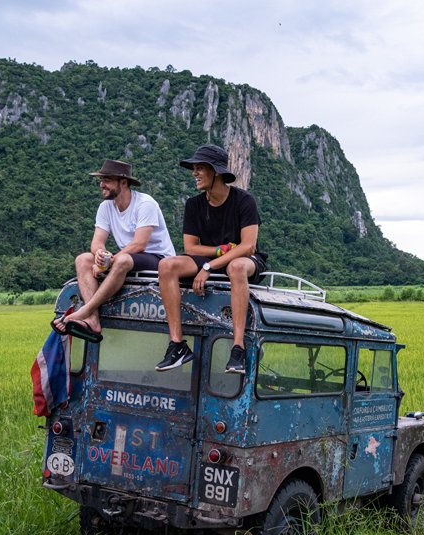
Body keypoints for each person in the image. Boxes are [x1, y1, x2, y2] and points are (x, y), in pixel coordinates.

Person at [155, 144, 267, 374]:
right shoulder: (194, 204)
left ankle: (237, 348)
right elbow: (190, 247)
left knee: (235, 267)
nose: (194, 173)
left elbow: (248, 246)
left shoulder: (244, 201)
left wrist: (209, 266)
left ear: (215, 171)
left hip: (244, 259)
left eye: (200, 168)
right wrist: (219, 252)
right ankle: (177, 344)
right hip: (212, 255)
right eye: (193, 168)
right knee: (167, 265)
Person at [52, 160, 175, 342]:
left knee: (123, 260)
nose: (102, 184)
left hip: (158, 259)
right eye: (101, 180)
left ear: (123, 182)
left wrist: (110, 262)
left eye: (107, 180)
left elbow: (140, 244)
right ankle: (92, 320)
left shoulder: (145, 204)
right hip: (126, 257)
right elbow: (97, 243)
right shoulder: (105, 207)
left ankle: (84, 310)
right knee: (83, 259)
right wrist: (101, 255)